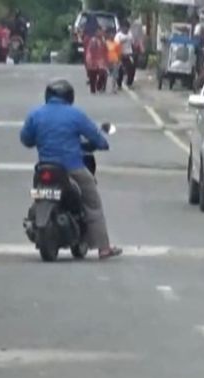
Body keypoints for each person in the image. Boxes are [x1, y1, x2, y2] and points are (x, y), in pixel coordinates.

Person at [20, 80, 122, 259]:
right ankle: (103, 248)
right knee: (92, 202)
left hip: (43, 168)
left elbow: (26, 139)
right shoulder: (75, 115)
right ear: (69, 97)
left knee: (37, 195)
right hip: (72, 168)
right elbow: (96, 138)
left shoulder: (35, 114)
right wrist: (102, 144)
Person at [84, 29, 109, 94]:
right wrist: (89, 59)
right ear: (96, 33)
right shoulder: (93, 40)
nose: (101, 33)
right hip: (92, 59)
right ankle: (93, 89)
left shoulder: (103, 41)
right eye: (100, 32)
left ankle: (99, 85)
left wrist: (106, 60)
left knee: (103, 73)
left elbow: (106, 51)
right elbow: (90, 50)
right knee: (93, 75)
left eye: (102, 32)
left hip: (101, 60)